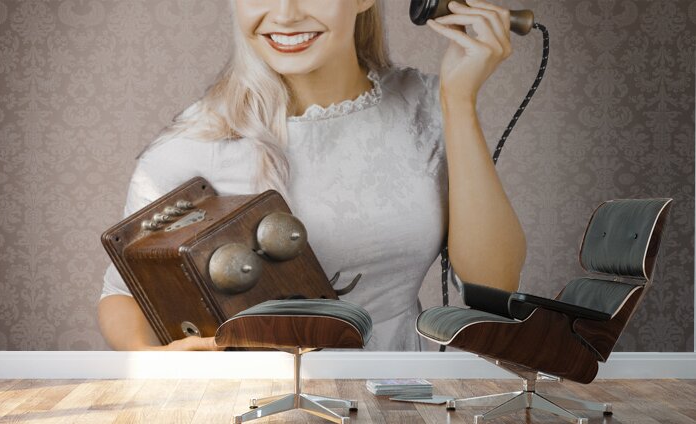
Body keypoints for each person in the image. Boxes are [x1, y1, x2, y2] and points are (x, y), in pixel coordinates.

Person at [97, 0, 526, 351]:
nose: (285, 14)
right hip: (253, 405)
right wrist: (154, 359)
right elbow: (122, 294)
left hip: (395, 398)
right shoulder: (192, 143)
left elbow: (492, 285)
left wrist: (460, 101)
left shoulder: (428, 107)